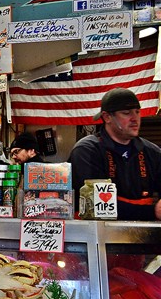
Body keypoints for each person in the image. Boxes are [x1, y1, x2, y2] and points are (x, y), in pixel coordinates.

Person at [69, 88, 161, 221]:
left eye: (137, 112)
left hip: (144, 231)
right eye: (126, 113)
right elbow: (95, 203)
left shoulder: (152, 152)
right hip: (98, 231)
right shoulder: (87, 150)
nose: (135, 119)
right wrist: (152, 211)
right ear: (107, 117)